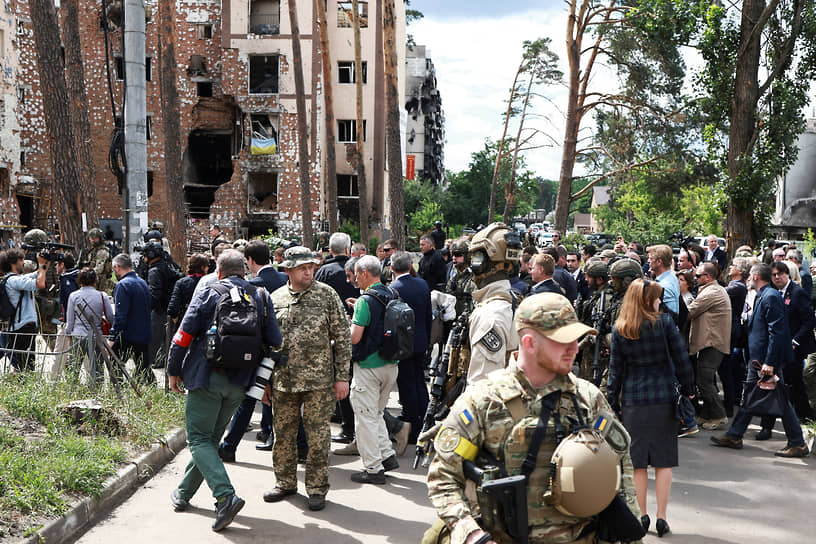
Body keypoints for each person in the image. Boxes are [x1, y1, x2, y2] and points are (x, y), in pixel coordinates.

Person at [426, 293, 642, 544]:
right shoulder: (483, 402)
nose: (574, 348)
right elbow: (444, 477)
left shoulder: (587, 399)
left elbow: (621, 470)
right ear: (529, 343)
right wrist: (471, 533)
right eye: (563, 341)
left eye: (576, 339)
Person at [167, 249, 281, 531]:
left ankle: (225, 496)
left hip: (206, 376)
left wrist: (173, 369)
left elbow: (184, 334)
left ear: (218, 271)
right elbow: (276, 340)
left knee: (198, 439)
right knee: (211, 437)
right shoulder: (261, 296)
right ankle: (183, 493)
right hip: (241, 382)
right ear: (246, 271)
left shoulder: (208, 291)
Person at [263, 246, 351, 511]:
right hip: (283, 380)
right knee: (284, 435)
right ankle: (285, 482)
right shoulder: (275, 297)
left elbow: (343, 338)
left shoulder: (327, 295)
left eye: (311, 266)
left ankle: (316, 488)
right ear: (288, 270)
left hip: (319, 382)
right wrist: (264, 381)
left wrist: (342, 377)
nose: (308, 271)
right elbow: (265, 343)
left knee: (318, 436)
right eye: (302, 267)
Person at [607, 278, 695, 537]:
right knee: (663, 462)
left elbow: (615, 373)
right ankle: (662, 517)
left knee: (638, 464)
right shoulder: (665, 324)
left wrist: (613, 402)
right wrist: (690, 389)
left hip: (634, 401)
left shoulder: (620, 329)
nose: (660, 302)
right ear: (648, 300)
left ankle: (642, 514)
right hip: (664, 398)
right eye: (657, 298)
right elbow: (681, 359)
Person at [711, 263, 809, 458]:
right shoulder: (765, 295)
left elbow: (777, 332)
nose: (747, 279)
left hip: (765, 360)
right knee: (752, 394)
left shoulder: (770, 297)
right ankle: (735, 434)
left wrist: (770, 362)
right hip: (759, 358)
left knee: (779, 399)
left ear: (756, 277)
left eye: (749, 276)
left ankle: (797, 442)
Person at [347, 255, 402, 483]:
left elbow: (355, 338)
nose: (355, 280)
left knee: (365, 418)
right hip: (391, 365)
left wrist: (349, 323)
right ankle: (387, 455)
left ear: (364, 273)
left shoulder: (365, 301)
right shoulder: (392, 293)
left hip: (368, 367)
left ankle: (373, 468)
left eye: (356, 275)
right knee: (376, 413)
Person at [316, 233, 359, 445]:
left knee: (338, 379)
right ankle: (348, 424)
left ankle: (347, 425)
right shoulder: (356, 269)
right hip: (355, 330)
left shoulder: (324, 271)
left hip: (330, 332)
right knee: (348, 378)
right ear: (348, 249)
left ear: (330, 250)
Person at [465, 223, 521, 384]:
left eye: (475, 258)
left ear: (484, 263)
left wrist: (461, 410)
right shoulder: (513, 302)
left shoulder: (491, 315)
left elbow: (482, 387)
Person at [390, 251, 432, 446]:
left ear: (391, 268)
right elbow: (427, 316)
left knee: (407, 385)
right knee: (419, 383)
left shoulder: (393, 289)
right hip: (420, 341)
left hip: (403, 345)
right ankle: (424, 420)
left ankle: (413, 426)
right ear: (410, 266)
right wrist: (427, 342)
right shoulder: (422, 285)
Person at [766, 261, 814, 423]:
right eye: (774, 275)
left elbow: (809, 321)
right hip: (778, 346)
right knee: (782, 383)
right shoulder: (774, 292)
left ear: (788, 274)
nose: (777, 277)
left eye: (781, 273)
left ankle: (804, 416)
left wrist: (795, 341)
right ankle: (778, 418)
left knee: (794, 382)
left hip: (794, 347)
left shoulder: (797, 293)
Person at [686, 262, 731, 430]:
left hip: (713, 343)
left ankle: (719, 416)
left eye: (698, 276)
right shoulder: (711, 290)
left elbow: (690, 312)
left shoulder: (711, 292)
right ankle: (706, 414)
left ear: (708, 277)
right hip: (711, 342)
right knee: (703, 378)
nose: (695, 278)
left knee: (704, 380)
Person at [109, 254, 153, 385]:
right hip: (144, 333)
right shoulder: (142, 283)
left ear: (117, 267)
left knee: (115, 364)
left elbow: (121, 315)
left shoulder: (122, 285)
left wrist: (112, 337)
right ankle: (149, 391)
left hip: (128, 334)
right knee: (143, 368)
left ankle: (119, 392)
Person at [0, 248, 47, 371]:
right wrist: (41, 265)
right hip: (22, 330)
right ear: (12, 263)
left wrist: (45, 263)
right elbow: (40, 284)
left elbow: (36, 274)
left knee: (24, 366)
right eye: (21, 260)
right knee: (26, 367)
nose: (23, 263)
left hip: (21, 329)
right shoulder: (14, 280)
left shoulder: (13, 279)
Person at [64, 268, 114, 382]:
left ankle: (72, 393)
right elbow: (111, 317)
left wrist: (68, 335)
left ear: (80, 280)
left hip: (78, 335)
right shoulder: (102, 296)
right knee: (97, 370)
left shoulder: (73, 296)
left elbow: (70, 320)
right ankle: (95, 393)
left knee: (73, 369)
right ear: (95, 280)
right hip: (97, 336)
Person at [647, 244, 680, 317]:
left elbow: (671, 316)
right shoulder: (671, 277)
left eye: (650, 258)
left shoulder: (664, 286)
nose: (648, 261)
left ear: (659, 262)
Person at [445, 239, 476, 316]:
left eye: (458, 254)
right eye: (453, 254)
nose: (454, 258)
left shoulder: (475, 278)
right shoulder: (454, 278)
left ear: (467, 256)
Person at [87, 228, 114, 294]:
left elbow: (99, 270)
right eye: (91, 238)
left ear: (100, 238)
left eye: (95, 238)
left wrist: (86, 274)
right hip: (94, 281)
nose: (93, 240)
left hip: (101, 283)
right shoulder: (93, 251)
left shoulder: (102, 252)